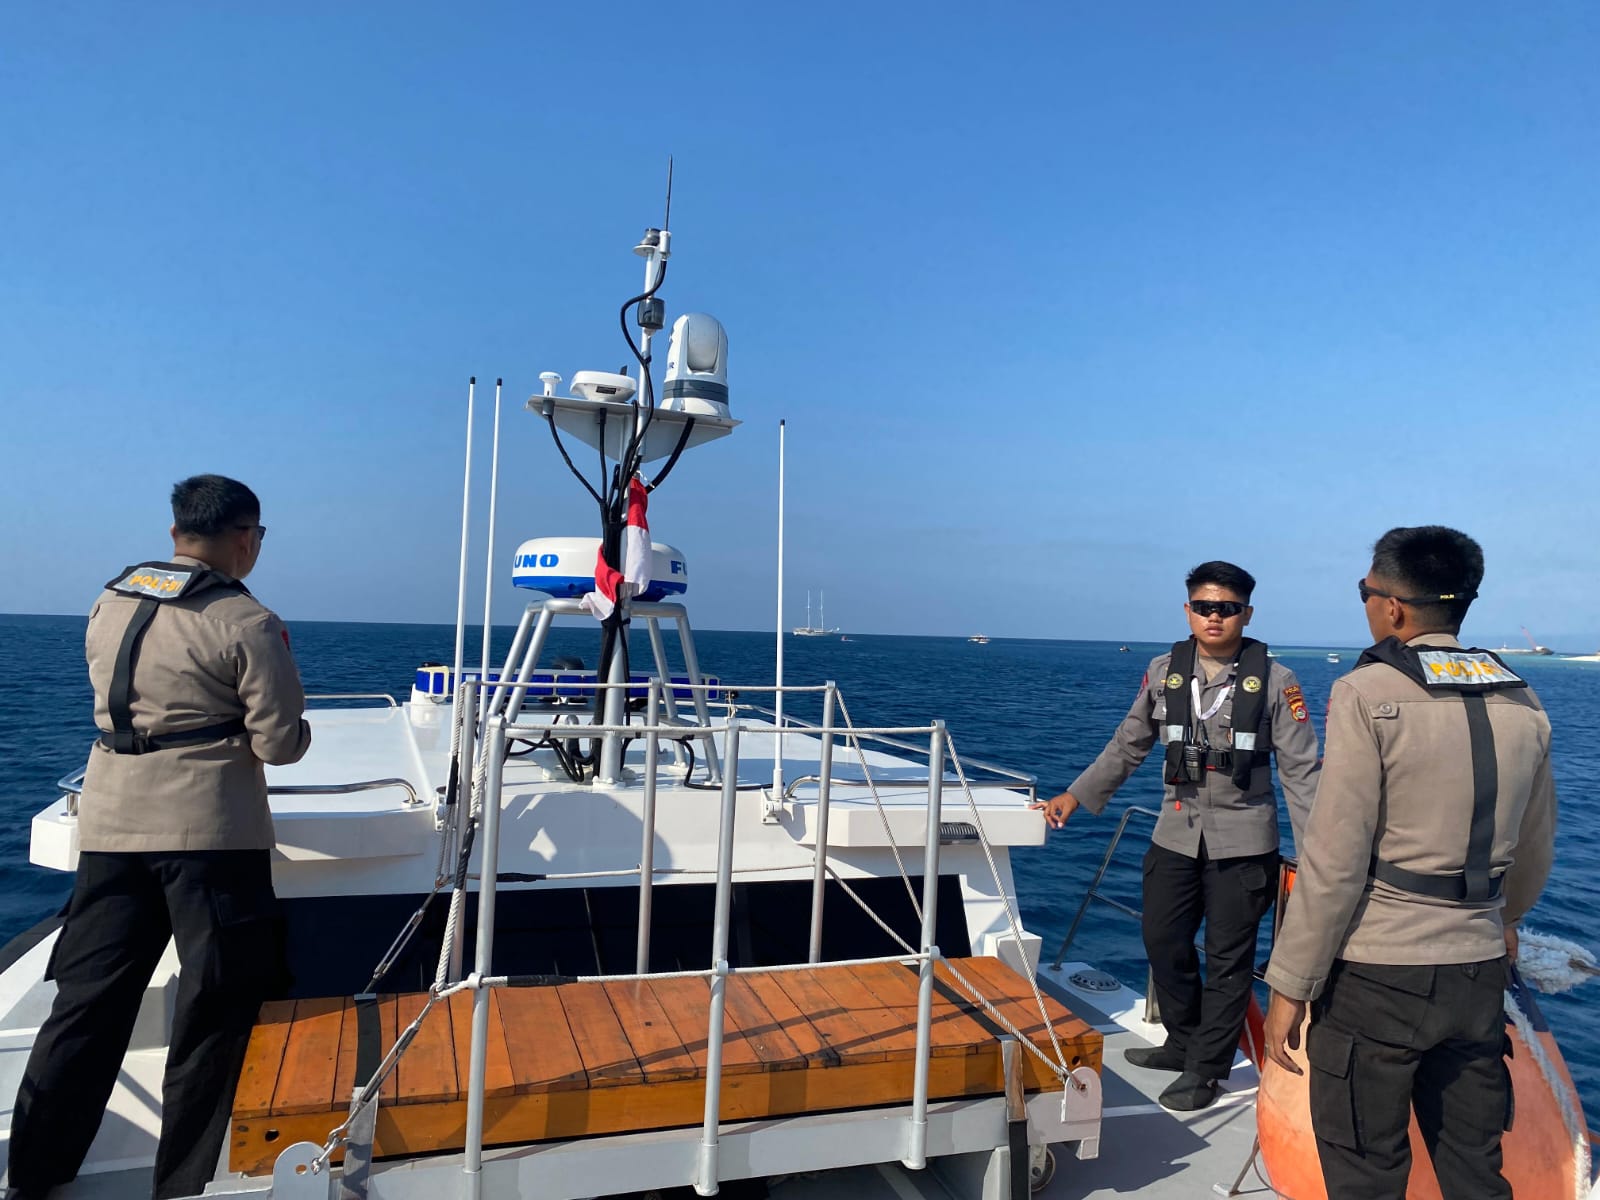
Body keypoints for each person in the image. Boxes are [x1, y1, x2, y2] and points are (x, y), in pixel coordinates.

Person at [5, 475, 311, 1200]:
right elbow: (279, 745)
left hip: (110, 825)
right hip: (210, 837)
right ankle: (184, 1184)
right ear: (246, 537)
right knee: (214, 1009)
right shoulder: (246, 621)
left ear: (177, 532)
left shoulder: (110, 601)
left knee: (86, 1004)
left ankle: (33, 1175)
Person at [1263, 526, 1557, 1200]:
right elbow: (1536, 847)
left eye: (1366, 592)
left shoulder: (1366, 693)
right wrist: (1499, 920)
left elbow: (1334, 862)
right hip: (1478, 971)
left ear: (1392, 607)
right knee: (1475, 1170)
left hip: (1378, 976)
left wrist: (1290, 987)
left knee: (1366, 1170)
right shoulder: (1523, 699)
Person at [1033, 561, 1320, 1111]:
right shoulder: (1164, 671)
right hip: (1175, 833)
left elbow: (1302, 771)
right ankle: (1184, 1040)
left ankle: (1207, 1069)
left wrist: (1314, 854)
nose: (1215, 617)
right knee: (1162, 941)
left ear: (1247, 614)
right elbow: (1129, 742)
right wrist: (1076, 793)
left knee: (1229, 960)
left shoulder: (1277, 681)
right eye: (1205, 607)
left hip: (1244, 843)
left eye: (1227, 608)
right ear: (1188, 610)